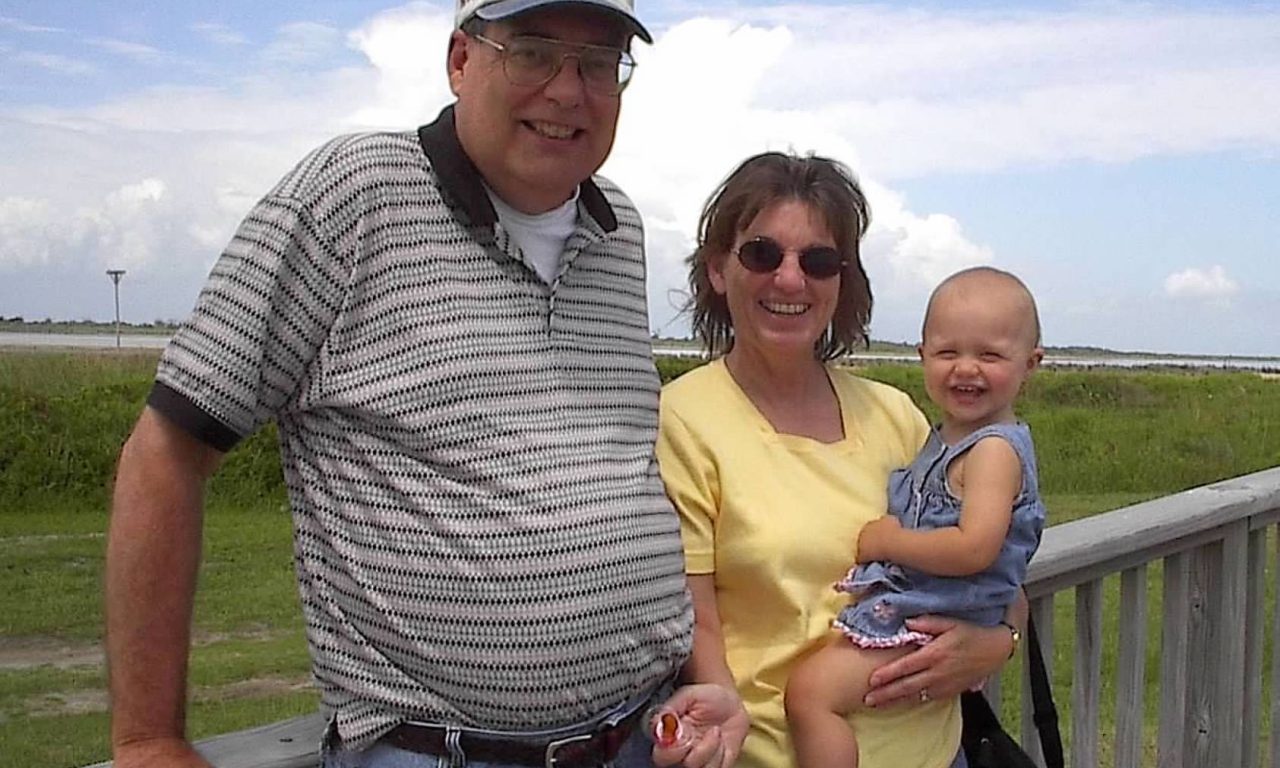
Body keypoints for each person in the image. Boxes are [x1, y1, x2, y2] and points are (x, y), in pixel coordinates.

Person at [103, 2, 746, 767]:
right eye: (534, 52)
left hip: (644, 737)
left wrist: (695, 679)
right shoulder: (355, 195)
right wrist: (148, 741)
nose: (568, 90)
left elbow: (612, 474)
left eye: (599, 63)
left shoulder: (618, 231)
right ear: (461, 60)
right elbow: (166, 453)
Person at [656, 152, 1027, 768]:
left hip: (937, 752)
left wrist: (999, 641)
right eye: (762, 254)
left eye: (819, 261)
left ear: (842, 281)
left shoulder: (896, 414)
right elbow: (700, 622)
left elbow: (994, 557)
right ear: (718, 269)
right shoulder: (683, 418)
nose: (790, 280)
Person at [784, 266, 1047, 768]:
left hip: (938, 617)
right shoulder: (947, 438)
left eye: (989, 355)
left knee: (811, 694)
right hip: (935, 607)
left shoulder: (993, 451)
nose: (966, 369)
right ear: (922, 355)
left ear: (1029, 363)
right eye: (948, 353)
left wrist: (888, 543)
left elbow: (974, 548)